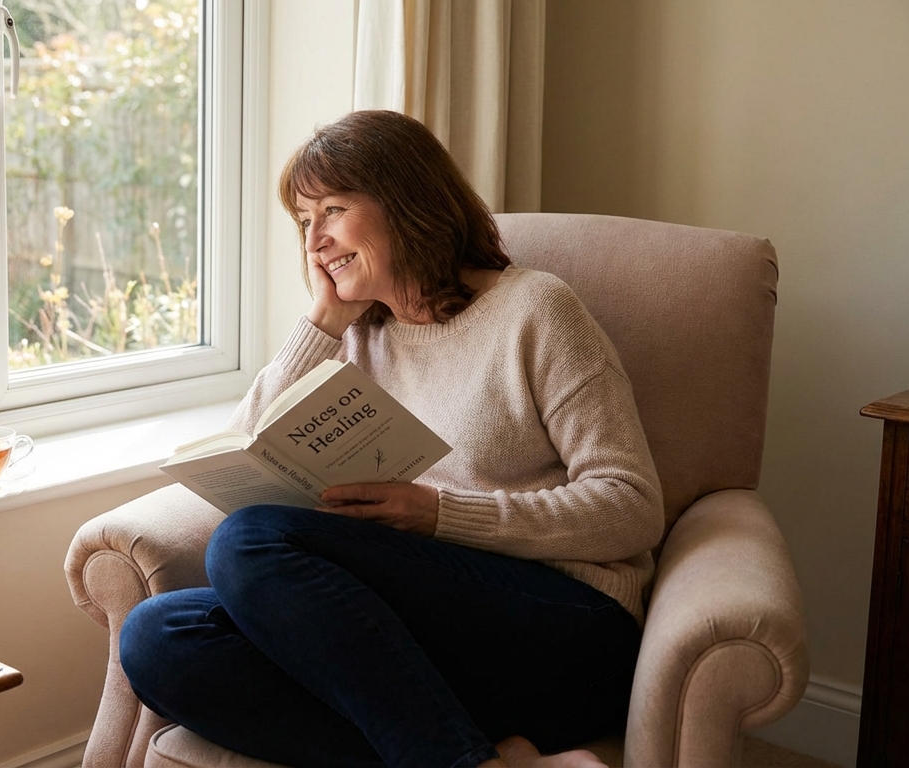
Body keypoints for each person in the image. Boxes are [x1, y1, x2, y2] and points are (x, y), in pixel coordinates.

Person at [119, 110, 664, 768]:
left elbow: (632, 506)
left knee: (251, 540)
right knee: (158, 635)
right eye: (302, 221)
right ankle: (470, 753)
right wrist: (322, 322)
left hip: (563, 632)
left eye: (333, 210)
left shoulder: (535, 310)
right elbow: (246, 446)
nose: (315, 240)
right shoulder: (355, 334)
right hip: (419, 646)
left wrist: (437, 513)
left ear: (407, 202)